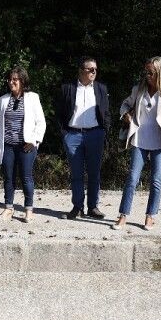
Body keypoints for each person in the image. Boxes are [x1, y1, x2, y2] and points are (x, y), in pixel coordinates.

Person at [115, 56, 161, 231]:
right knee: (132, 178)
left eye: (151, 72)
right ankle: (123, 215)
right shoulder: (138, 89)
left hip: (160, 142)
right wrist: (126, 115)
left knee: (156, 180)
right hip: (139, 139)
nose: (147, 75)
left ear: (160, 72)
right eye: (146, 71)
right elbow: (124, 105)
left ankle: (150, 216)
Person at [55, 57, 110, 220]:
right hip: (73, 135)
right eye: (90, 69)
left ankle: (93, 207)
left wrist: (104, 131)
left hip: (95, 134)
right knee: (76, 173)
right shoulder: (67, 88)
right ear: (81, 70)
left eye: (95, 69)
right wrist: (64, 133)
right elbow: (58, 112)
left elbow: (106, 112)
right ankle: (78, 207)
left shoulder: (101, 88)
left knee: (94, 173)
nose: (94, 72)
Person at [0, 67, 47, 223]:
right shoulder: (3, 99)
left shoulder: (32, 98)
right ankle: (8, 208)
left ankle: (29, 209)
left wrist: (34, 140)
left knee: (26, 177)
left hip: (26, 146)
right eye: (9, 79)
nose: (11, 82)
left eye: (15, 79)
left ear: (23, 81)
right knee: (8, 178)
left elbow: (41, 122)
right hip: (8, 145)